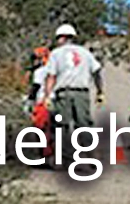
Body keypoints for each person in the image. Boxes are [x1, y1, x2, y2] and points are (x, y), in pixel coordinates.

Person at [41, 24, 104, 158]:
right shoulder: (85, 53)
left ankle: (64, 157)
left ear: (63, 37)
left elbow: (51, 76)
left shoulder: (56, 53)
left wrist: (47, 96)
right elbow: (97, 72)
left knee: (61, 125)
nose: (58, 41)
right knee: (84, 124)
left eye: (58, 38)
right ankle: (89, 155)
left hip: (64, 94)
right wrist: (100, 91)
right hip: (82, 94)